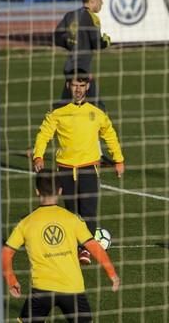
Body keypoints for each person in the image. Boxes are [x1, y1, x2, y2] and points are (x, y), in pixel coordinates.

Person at [32, 69, 125, 263]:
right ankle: (69, 245)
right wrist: (38, 156)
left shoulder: (97, 112)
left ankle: (85, 250)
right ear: (68, 86)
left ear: (88, 87)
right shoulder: (57, 111)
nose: (78, 90)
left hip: (89, 169)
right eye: (75, 85)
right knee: (70, 212)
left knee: (88, 212)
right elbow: (44, 134)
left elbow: (110, 134)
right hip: (65, 170)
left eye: (82, 86)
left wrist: (119, 160)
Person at [2, 170, 120, 322]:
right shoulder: (72, 219)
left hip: (42, 290)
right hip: (73, 288)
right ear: (60, 190)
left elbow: (6, 253)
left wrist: (12, 280)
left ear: (37, 191)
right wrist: (112, 273)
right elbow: (93, 246)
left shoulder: (25, 223)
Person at [54, 0, 111, 101]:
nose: (102, 3)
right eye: (101, 0)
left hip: (69, 66)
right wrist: (106, 41)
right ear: (93, 0)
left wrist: (71, 43)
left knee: (67, 102)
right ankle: (102, 118)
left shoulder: (70, 15)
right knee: (96, 103)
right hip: (82, 68)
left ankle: (55, 117)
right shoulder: (92, 18)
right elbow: (97, 44)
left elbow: (57, 37)